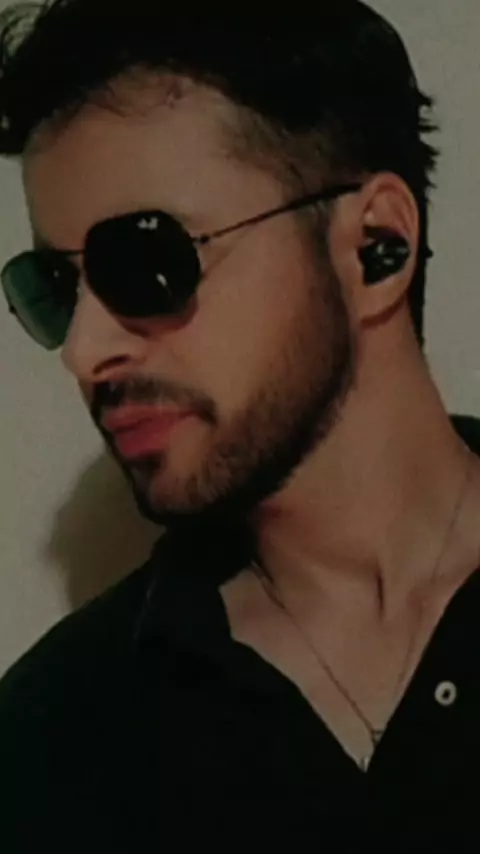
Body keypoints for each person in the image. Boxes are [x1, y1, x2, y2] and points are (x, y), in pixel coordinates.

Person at [0, 0, 479, 846]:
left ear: (376, 247)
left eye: (146, 260)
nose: (83, 350)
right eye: (55, 288)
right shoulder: (52, 739)